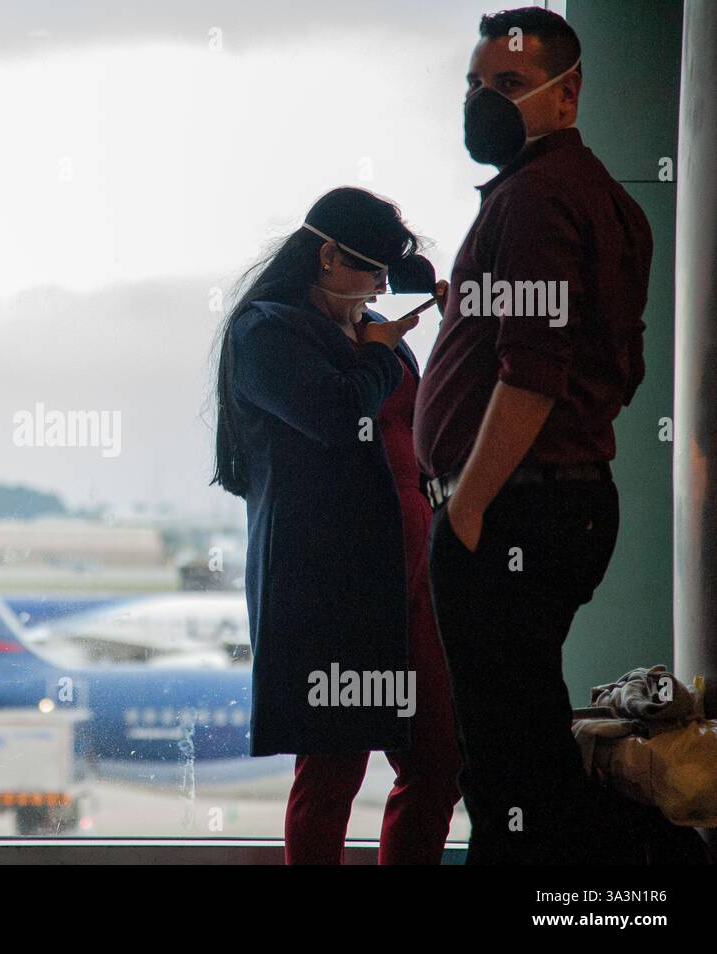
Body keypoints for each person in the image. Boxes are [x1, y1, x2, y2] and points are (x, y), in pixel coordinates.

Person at [414, 7, 652, 864]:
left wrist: (467, 508)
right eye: (476, 86)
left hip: (512, 513)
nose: (484, 102)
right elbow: (606, 367)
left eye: (509, 85)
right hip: (565, 503)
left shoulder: (532, 199)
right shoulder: (609, 202)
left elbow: (534, 375)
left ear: (568, 93)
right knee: (532, 747)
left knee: (507, 769)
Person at [211, 187, 459, 864]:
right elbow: (334, 413)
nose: (380, 287)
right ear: (326, 256)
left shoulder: (367, 320)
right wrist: (379, 350)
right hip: (333, 586)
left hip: (412, 575)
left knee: (440, 761)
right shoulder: (267, 330)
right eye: (371, 272)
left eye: (386, 276)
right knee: (332, 773)